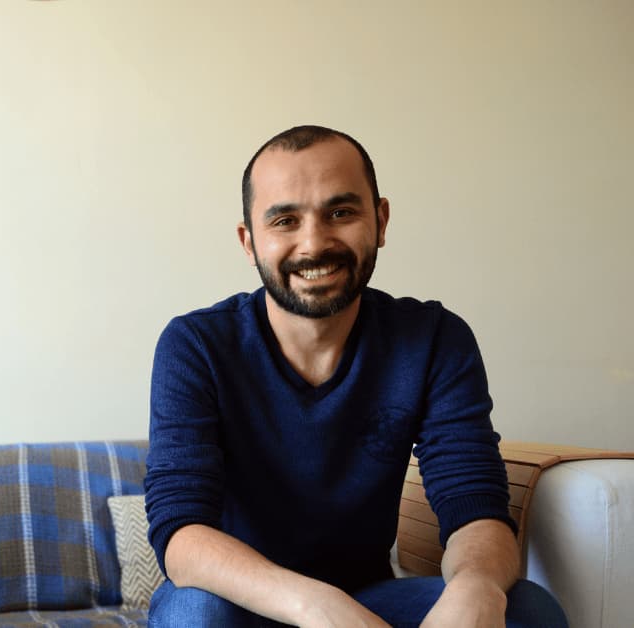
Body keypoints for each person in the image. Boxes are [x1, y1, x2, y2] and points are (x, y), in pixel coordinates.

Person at [143, 126, 568, 627]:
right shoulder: (195, 345)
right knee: (193, 614)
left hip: (369, 598)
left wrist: (476, 588)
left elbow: (474, 504)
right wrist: (315, 606)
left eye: (340, 213)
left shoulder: (434, 340)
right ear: (250, 241)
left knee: (527, 609)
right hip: (238, 602)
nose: (314, 243)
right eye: (284, 220)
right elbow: (181, 534)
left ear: (380, 220)